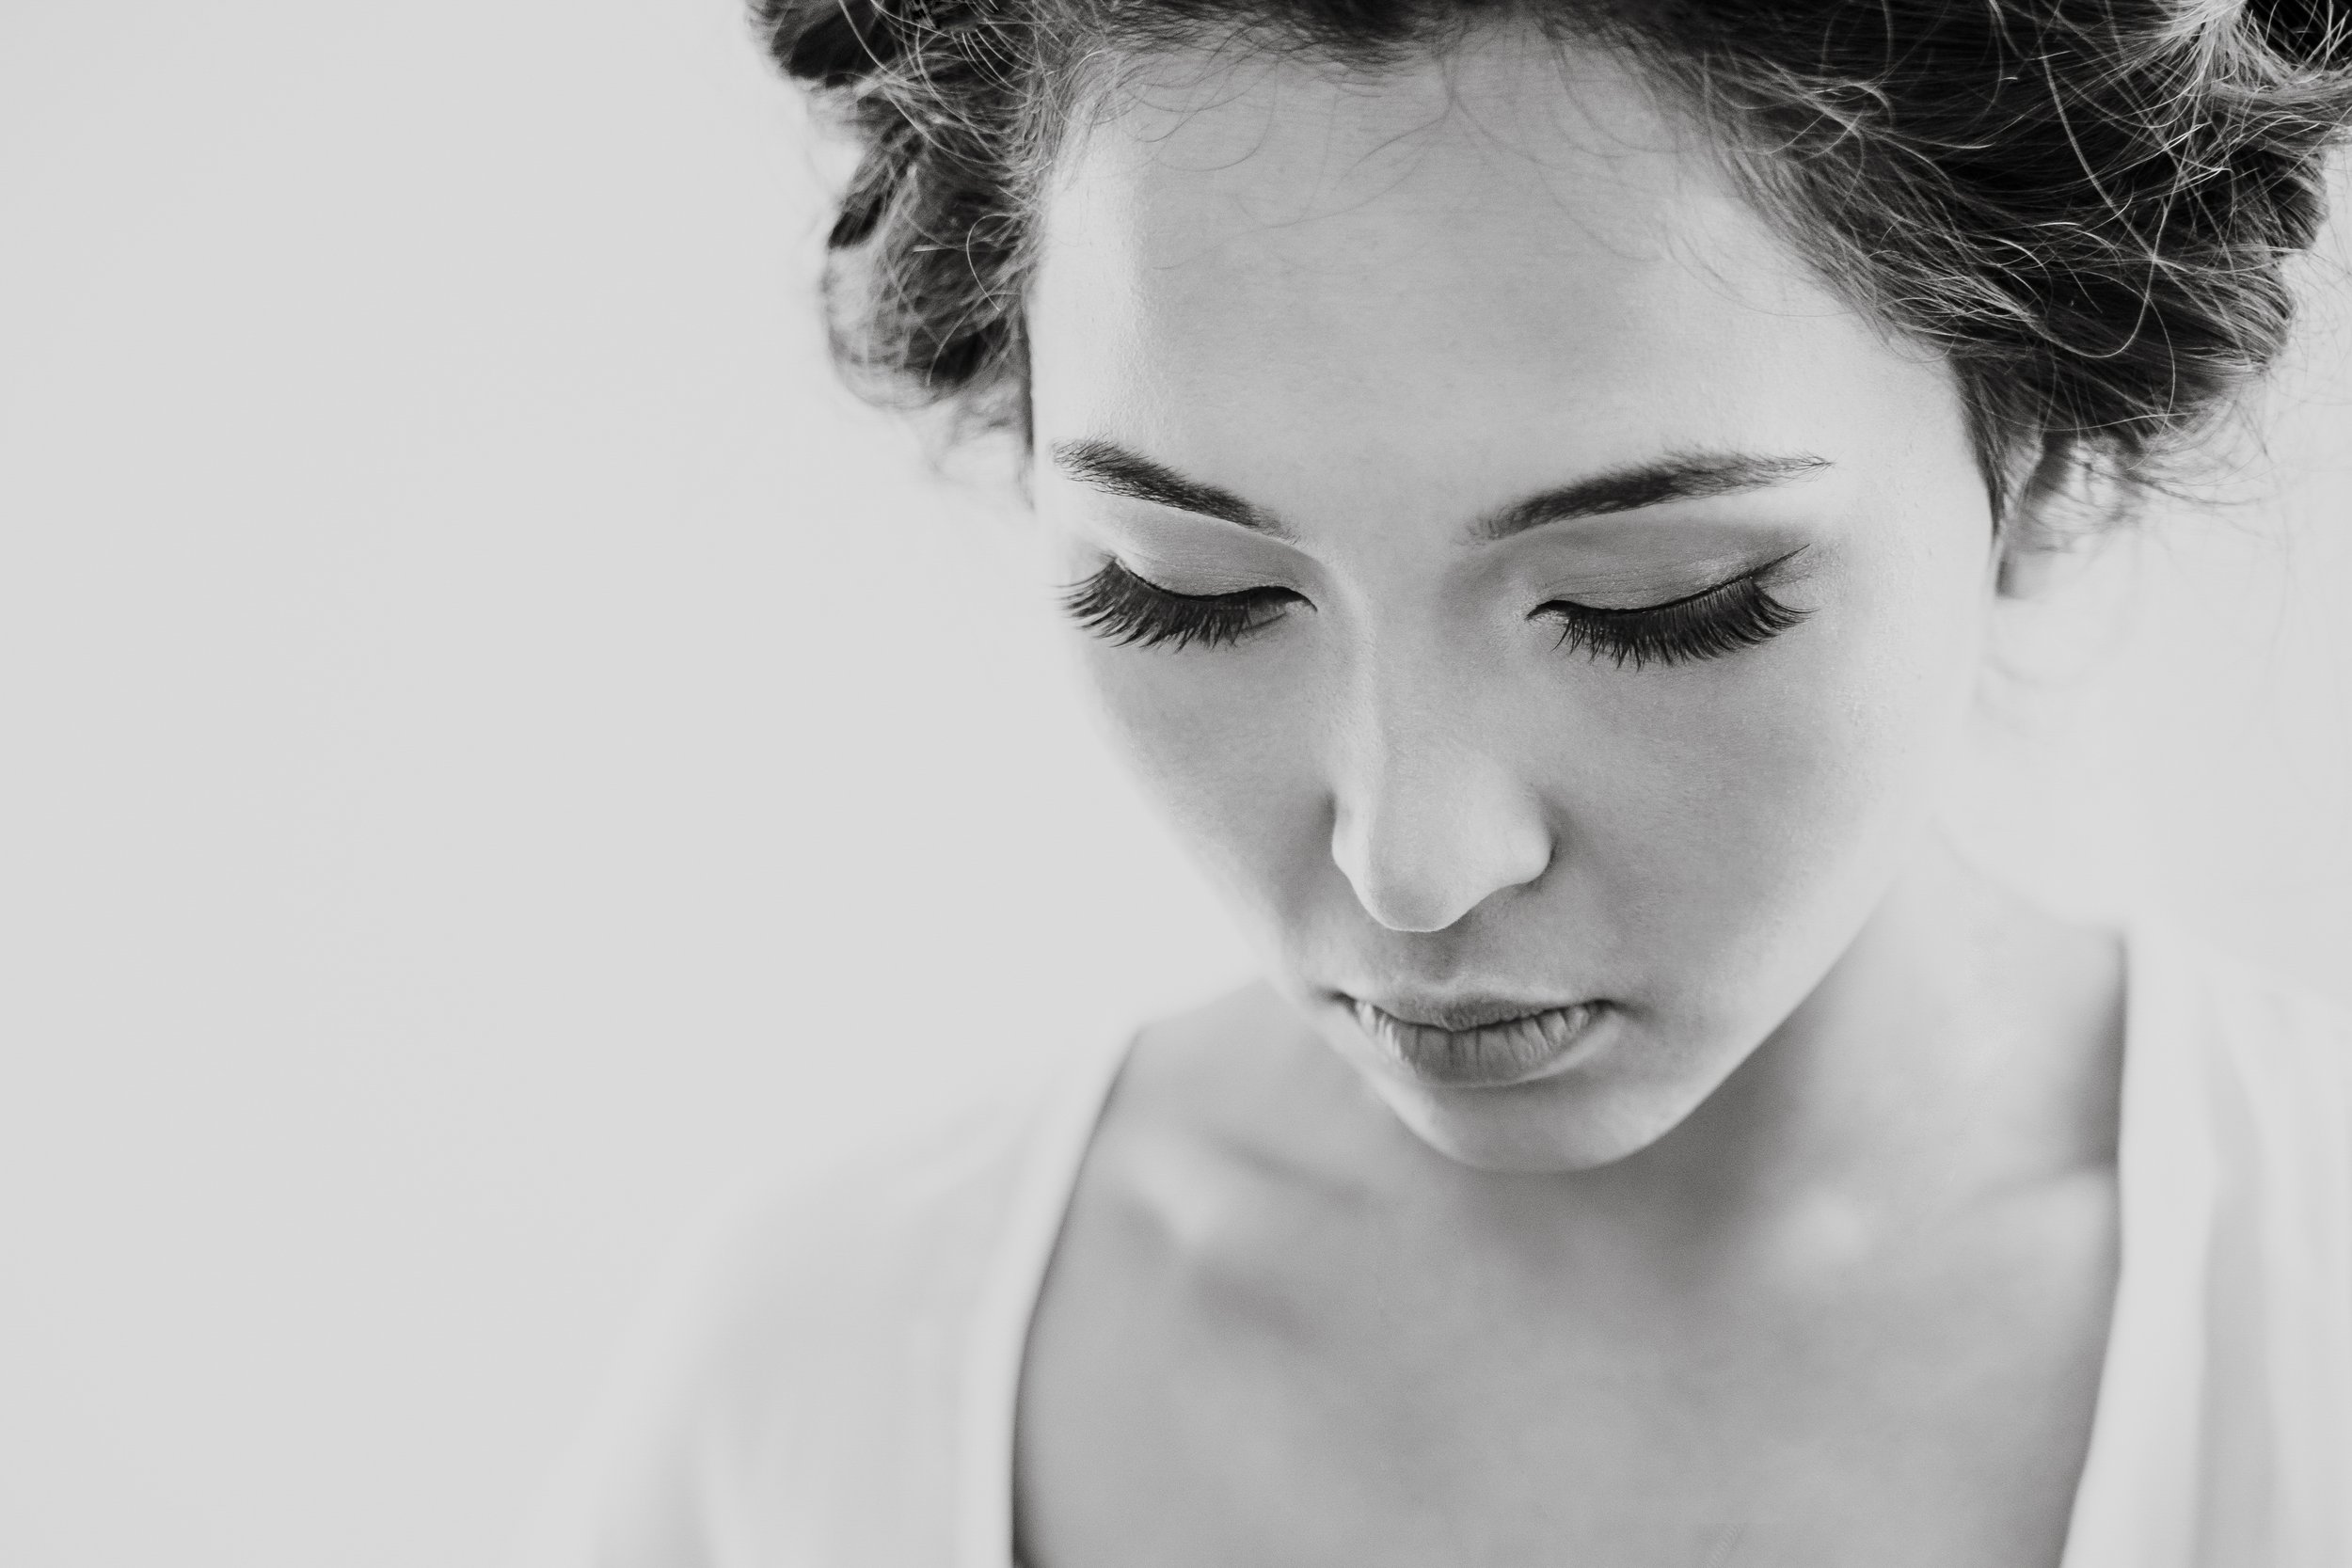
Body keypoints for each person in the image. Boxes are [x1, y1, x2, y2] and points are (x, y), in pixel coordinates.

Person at [519, 2, 2352, 1563]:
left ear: (2046, 462)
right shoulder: (815, 1386)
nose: (1411, 866)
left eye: (1654, 604)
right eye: (1183, 592)